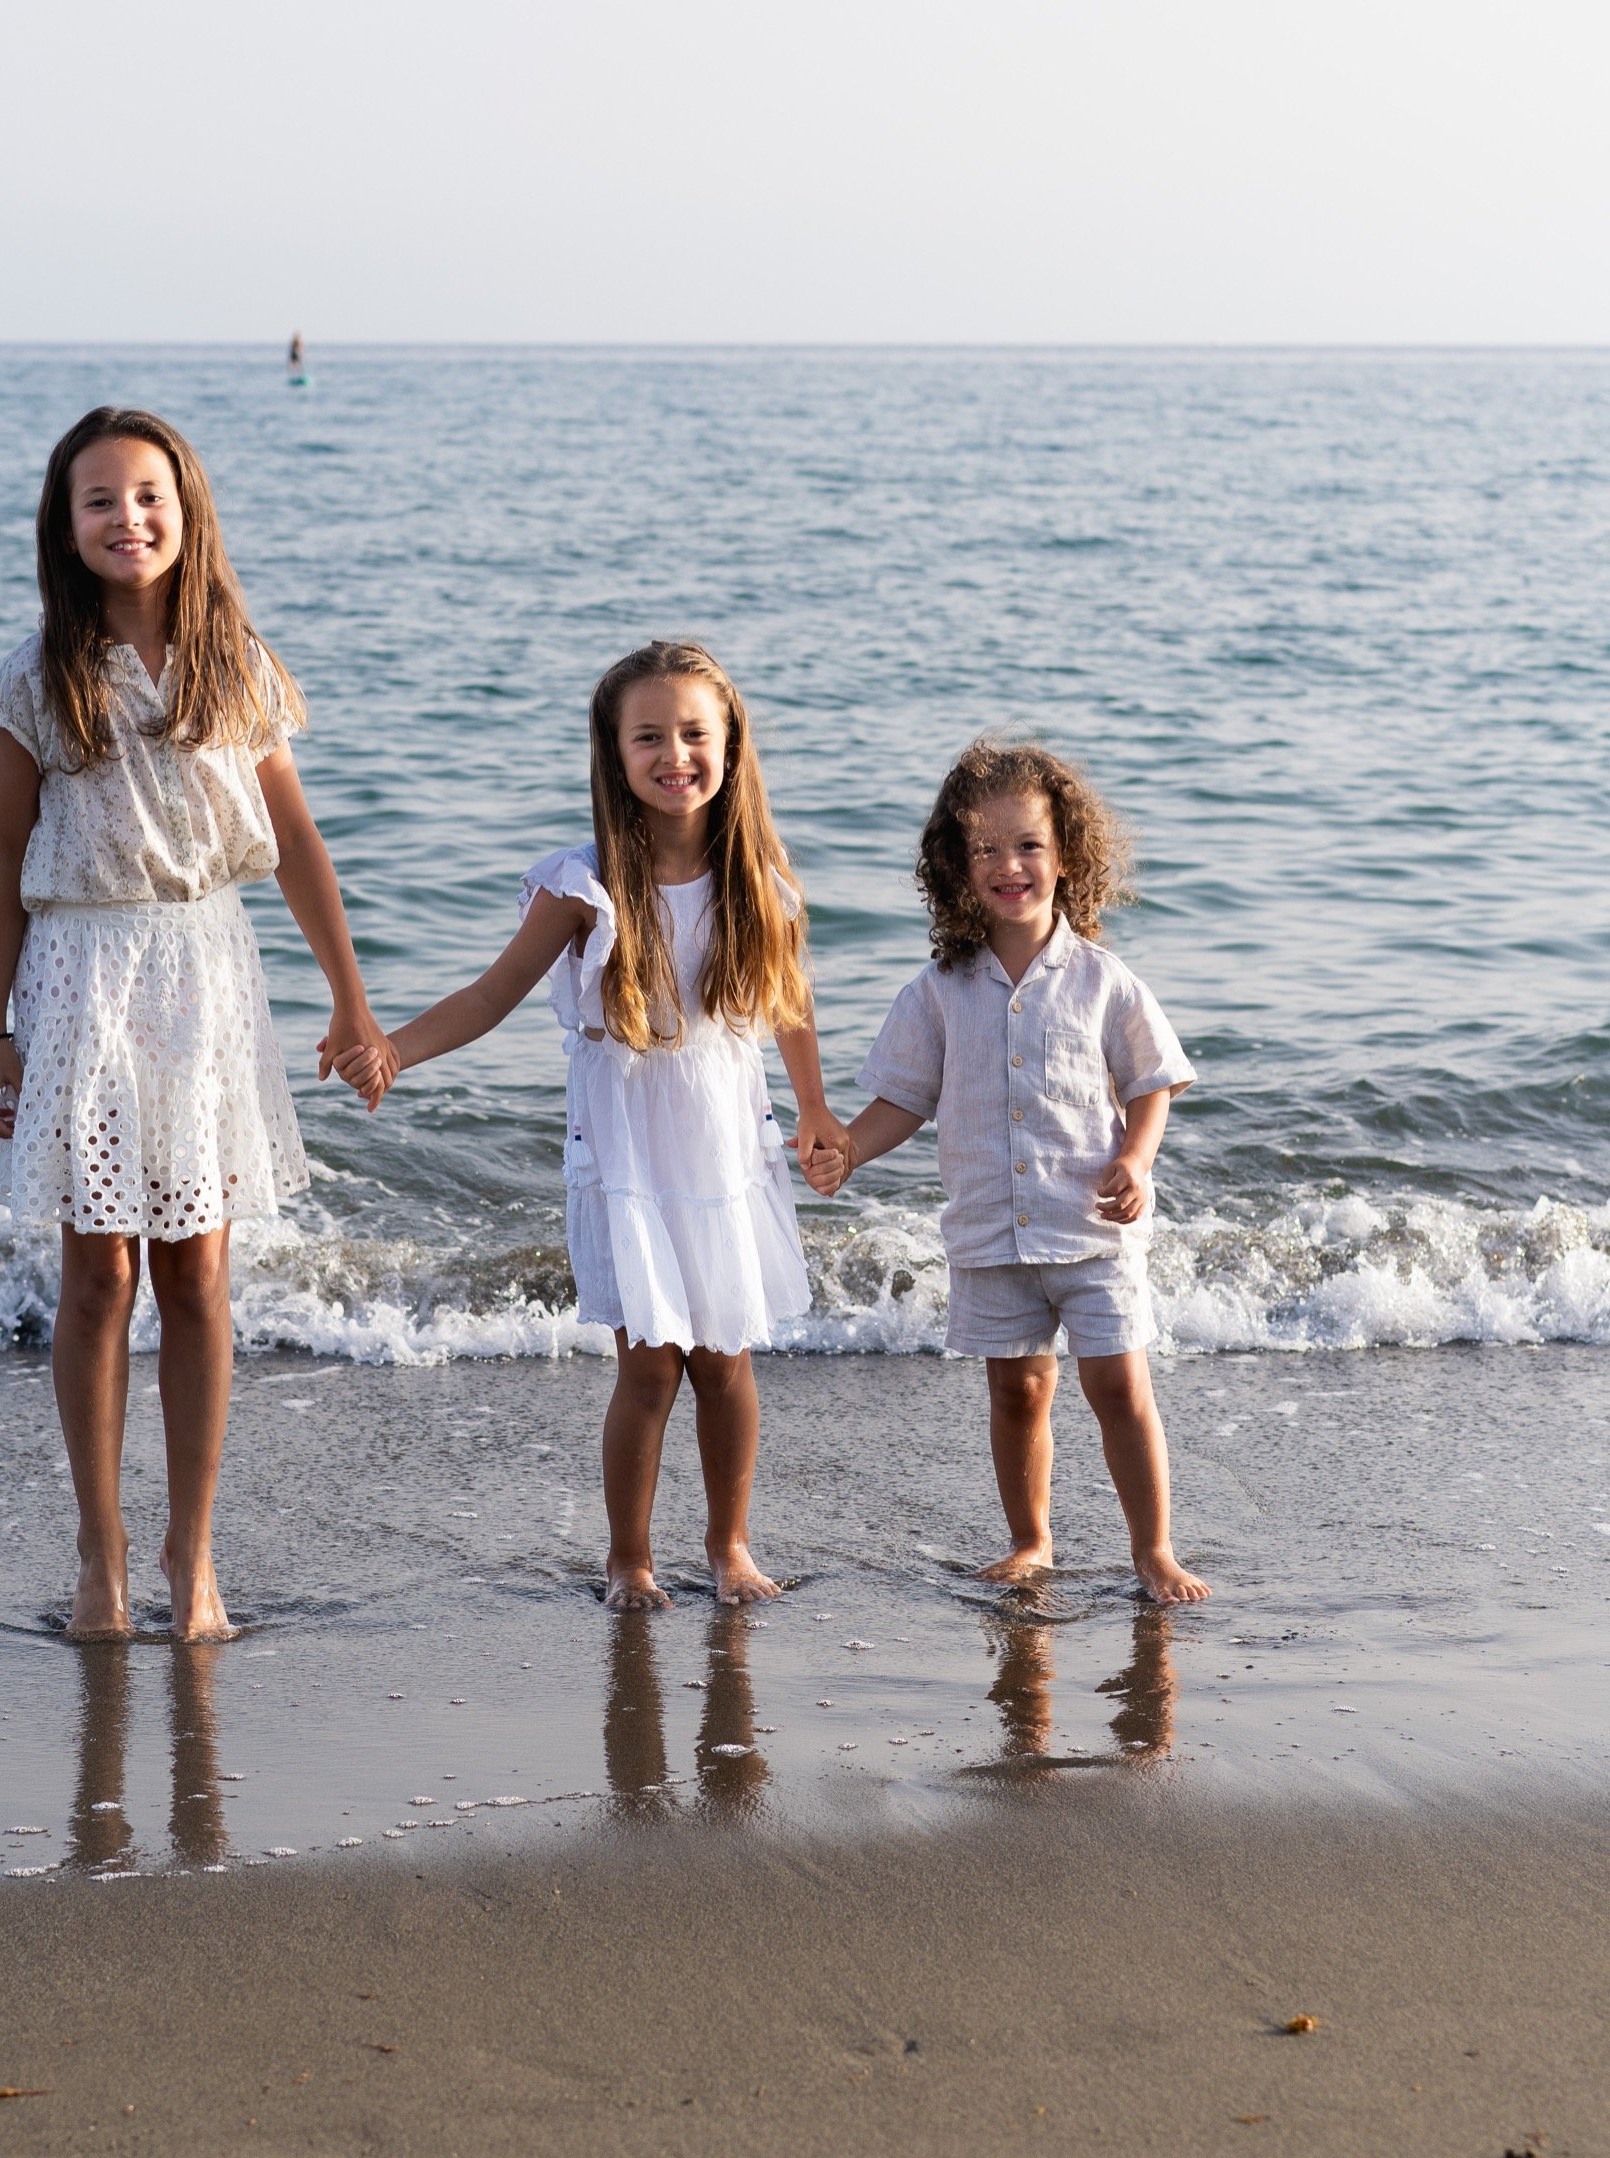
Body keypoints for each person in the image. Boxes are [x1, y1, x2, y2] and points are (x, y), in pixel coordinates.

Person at [0, 405, 392, 1642]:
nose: (127, 518)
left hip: (207, 971)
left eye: (148, 496)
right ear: (66, 525)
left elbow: (301, 843)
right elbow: (0, 863)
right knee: (98, 1275)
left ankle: (189, 1559)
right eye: (99, 500)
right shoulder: (35, 677)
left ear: (187, 511)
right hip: (81, 975)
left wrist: (351, 1000)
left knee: (199, 1273)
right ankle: (100, 1560)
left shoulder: (235, 663)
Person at [331, 638, 846, 1609]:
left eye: (695, 733)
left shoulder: (759, 881)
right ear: (614, 755)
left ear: (732, 745)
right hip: (626, 1155)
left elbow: (789, 1003)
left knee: (726, 1359)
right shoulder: (584, 888)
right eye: (648, 736)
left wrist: (816, 1109)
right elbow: (491, 996)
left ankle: (730, 1548)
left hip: (726, 1144)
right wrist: (394, 1047)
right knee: (648, 1367)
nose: (674, 754)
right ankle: (629, 1561)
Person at [806, 741, 1209, 1605]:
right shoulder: (938, 989)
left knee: (1118, 1387)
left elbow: (1153, 1082)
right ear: (955, 866)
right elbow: (903, 1102)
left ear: (1066, 854)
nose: (1008, 865)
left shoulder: (1104, 981)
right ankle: (1031, 1539)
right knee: (1018, 1390)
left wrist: (1136, 1158)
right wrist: (846, 1145)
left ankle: (1155, 1551)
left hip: (1091, 1229)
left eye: (1027, 844)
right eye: (983, 849)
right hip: (990, 1230)